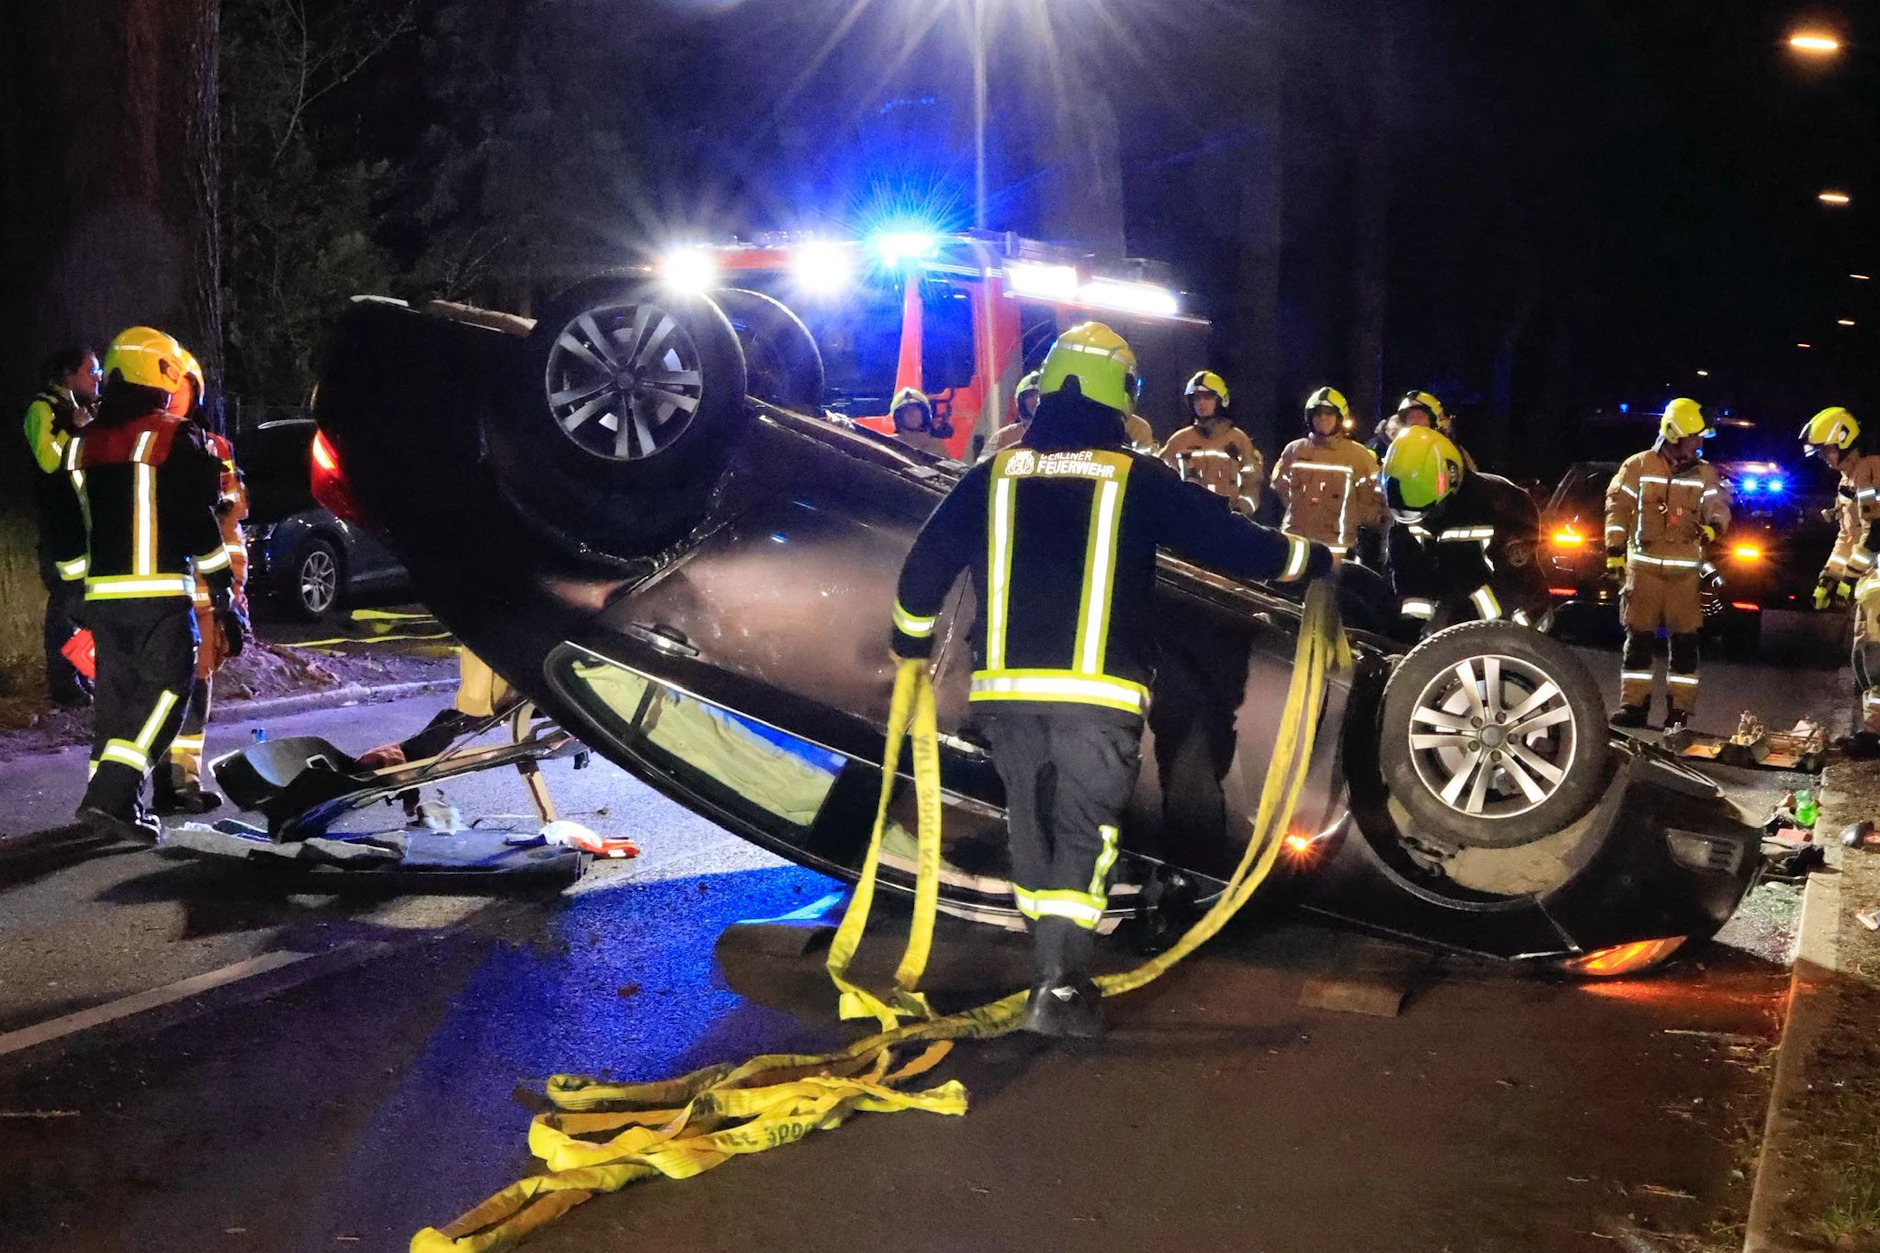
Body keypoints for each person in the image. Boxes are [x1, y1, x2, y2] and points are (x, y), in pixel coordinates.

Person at [890, 323, 1331, 1038]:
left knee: (1032, 828)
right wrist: (1313, 562)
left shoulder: (992, 473)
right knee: (1083, 833)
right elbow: (1233, 544)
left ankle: (1050, 972)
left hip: (1004, 697)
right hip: (1097, 698)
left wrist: (908, 643)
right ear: (1116, 395)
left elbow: (921, 573)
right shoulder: (1135, 477)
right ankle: (1060, 987)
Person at [42, 327, 246, 842]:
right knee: (166, 694)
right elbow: (195, 522)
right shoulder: (176, 437)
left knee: (115, 700)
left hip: (100, 600)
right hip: (159, 597)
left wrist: (71, 593)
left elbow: (61, 528)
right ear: (162, 374)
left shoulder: (80, 444)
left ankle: (115, 815)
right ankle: (109, 797)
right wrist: (222, 589)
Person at [153, 349, 250, 815]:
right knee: (166, 694)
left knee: (197, 695)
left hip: (208, 596)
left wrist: (235, 591)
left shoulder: (213, 447)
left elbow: (232, 517)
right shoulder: (147, 445)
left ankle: (181, 780)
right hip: (166, 593)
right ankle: (157, 785)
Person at [1604, 398, 1731, 732]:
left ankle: (1679, 712)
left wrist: (1713, 527)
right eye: (1695, 437)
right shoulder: (1638, 466)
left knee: (1686, 647)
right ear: (1676, 434)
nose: (1700, 443)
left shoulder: (1704, 473)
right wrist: (1614, 550)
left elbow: (1718, 506)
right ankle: (1633, 707)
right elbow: (1618, 509)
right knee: (1638, 642)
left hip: (1684, 576)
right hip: (1643, 573)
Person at [1380, 426, 1549, 639]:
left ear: (1452, 475)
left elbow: (1518, 586)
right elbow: (1410, 585)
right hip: (1449, 638)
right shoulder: (1407, 514)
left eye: (1431, 510)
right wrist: (1411, 636)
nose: (1424, 519)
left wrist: (1457, 619)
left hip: (1519, 632)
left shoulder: (1505, 504)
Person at [23, 345, 101, 707]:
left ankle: (80, 678)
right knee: (65, 609)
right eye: (91, 371)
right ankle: (63, 685)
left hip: (82, 529)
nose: (97, 378)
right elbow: (49, 460)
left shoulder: (79, 411)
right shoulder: (43, 410)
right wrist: (78, 432)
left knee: (82, 608)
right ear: (68, 374)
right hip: (61, 532)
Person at [1800, 406, 1880, 752]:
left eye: (1825, 449)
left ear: (1844, 440)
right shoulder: (1849, 479)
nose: (1823, 457)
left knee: (1876, 655)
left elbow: (1877, 533)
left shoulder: (1872, 470)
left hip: (1875, 580)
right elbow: (1848, 536)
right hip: (1870, 583)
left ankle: (1875, 733)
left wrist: (1848, 577)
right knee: (1864, 656)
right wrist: (1829, 576)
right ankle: (1872, 730)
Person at [1271, 386, 1386, 560]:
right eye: (1318, 414)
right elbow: (1280, 485)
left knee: (1328, 587)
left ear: (1340, 418)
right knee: (1285, 586)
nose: (1323, 418)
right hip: (1295, 541)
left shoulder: (1358, 455)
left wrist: (1352, 519)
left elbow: (1374, 497)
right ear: (1310, 418)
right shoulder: (1294, 450)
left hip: (1336, 548)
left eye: (1329, 413)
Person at [1162, 371, 1264, 515]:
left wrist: (1241, 511)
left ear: (1221, 400)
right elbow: (1163, 481)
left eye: (1208, 397)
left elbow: (1252, 483)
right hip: (1189, 522)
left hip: (1228, 524)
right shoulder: (1178, 441)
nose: (1201, 402)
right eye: (1196, 398)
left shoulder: (1238, 440)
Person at [1392, 390, 1478, 471]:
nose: (1413, 422)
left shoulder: (1452, 449)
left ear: (1434, 421)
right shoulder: (1401, 450)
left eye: (1419, 416)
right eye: (1409, 418)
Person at [984, 371, 1043, 456]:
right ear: (1021, 402)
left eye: (1041, 395)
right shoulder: (1002, 438)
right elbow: (984, 465)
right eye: (1031, 395)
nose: (1037, 400)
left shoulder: (1060, 436)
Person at [888, 386, 952, 458]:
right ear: (899, 418)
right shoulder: (890, 444)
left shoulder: (936, 445)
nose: (911, 414)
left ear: (924, 414)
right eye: (906, 411)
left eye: (915, 409)